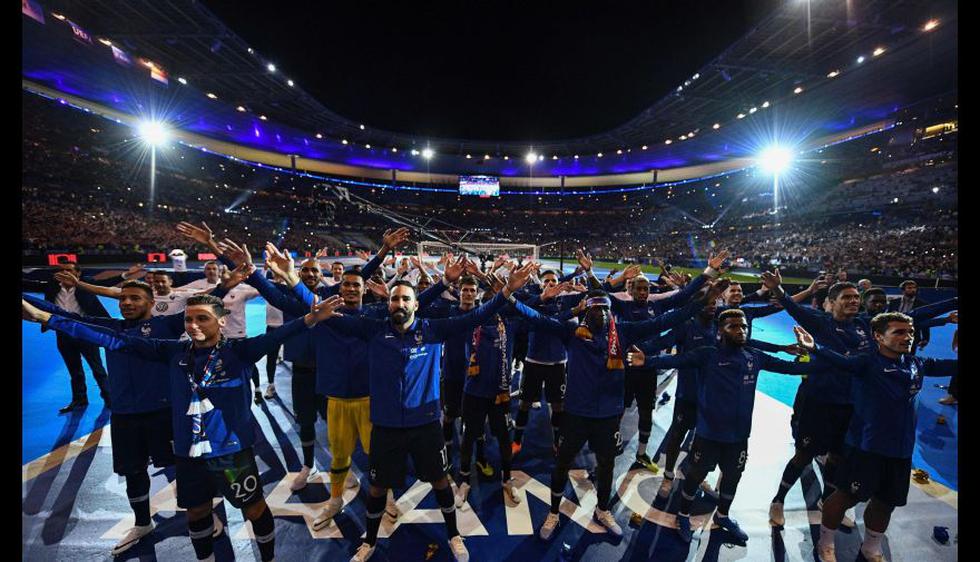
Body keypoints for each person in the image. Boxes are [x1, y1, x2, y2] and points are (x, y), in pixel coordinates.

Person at [23, 292, 341, 562]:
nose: (193, 326)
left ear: (221, 321)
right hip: (189, 452)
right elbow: (113, 339)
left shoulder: (239, 353)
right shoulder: (173, 352)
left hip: (232, 453)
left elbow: (280, 335)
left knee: (253, 508)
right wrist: (45, 318)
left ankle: (268, 559)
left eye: (202, 319)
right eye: (189, 319)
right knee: (196, 512)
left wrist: (311, 319)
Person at [313, 263, 536, 562]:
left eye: (406, 299)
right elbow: (327, 315)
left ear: (416, 304)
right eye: (395, 299)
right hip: (385, 426)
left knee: (441, 482)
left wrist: (507, 290)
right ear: (387, 303)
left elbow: (476, 315)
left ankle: (454, 535)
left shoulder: (432, 330)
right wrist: (298, 289)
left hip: (426, 426)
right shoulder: (373, 330)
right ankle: (369, 541)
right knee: (377, 487)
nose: (400, 304)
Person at [22, 274, 245, 554]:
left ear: (151, 303)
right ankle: (142, 523)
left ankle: (204, 512)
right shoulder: (110, 327)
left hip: (164, 412)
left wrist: (226, 283)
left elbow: (208, 304)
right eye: (123, 298)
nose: (127, 302)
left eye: (135, 298)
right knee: (133, 471)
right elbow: (61, 313)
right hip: (125, 413)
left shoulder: (166, 324)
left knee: (181, 468)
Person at [510, 277, 729, 541]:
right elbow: (535, 317)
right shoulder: (570, 331)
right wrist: (508, 295)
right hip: (576, 414)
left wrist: (706, 299)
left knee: (606, 465)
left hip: (607, 416)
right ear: (585, 310)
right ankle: (554, 512)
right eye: (595, 308)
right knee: (562, 464)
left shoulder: (623, 332)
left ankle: (603, 510)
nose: (601, 313)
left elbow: (666, 321)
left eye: (605, 308)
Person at [761, 270, 957, 528]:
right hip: (819, 402)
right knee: (804, 454)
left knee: (839, 458)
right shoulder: (820, 322)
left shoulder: (866, 324)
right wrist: (778, 290)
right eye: (847, 297)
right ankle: (779, 500)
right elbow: (792, 308)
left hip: (852, 407)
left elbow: (914, 317)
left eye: (856, 297)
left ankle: (826, 500)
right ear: (832, 301)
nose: (854, 301)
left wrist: (953, 302)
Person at [628, 308, 825, 543]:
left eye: (743, 326)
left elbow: (795, 368)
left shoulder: (754, 356)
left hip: (739, 437)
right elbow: (677, 360)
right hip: (708, 434)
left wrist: (815, 351)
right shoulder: (707, 354)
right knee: (695, 474)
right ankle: (682, 514)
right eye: (733, 326)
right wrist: (646, 360)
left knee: (733, 476)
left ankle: (722, 516)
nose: (741, 330)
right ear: (720, 331)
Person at [792, 315, 957, 562]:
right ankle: (825, 543)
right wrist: (814, 347)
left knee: (885, 502)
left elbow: (951, 366)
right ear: (879, 336)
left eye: (910, 332)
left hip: (900, 452)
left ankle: (871, 547)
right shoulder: (866, 364)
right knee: (846, 496)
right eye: (899, 332)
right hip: (865, 448)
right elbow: (839, 361)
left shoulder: (917, 364)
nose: (908, 337)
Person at [22, 263, 120, 412]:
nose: (65, 273)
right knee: (74, 369)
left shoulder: (86, 284)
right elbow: (31, 284)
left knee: (97, 368)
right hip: (63, 333)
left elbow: (105, 284)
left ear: (78, 274)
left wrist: (125, 275)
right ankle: (79, 400)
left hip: (86, 332)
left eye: (69, 270)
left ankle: (109, 398)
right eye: (62, 270)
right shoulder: (52, 285)